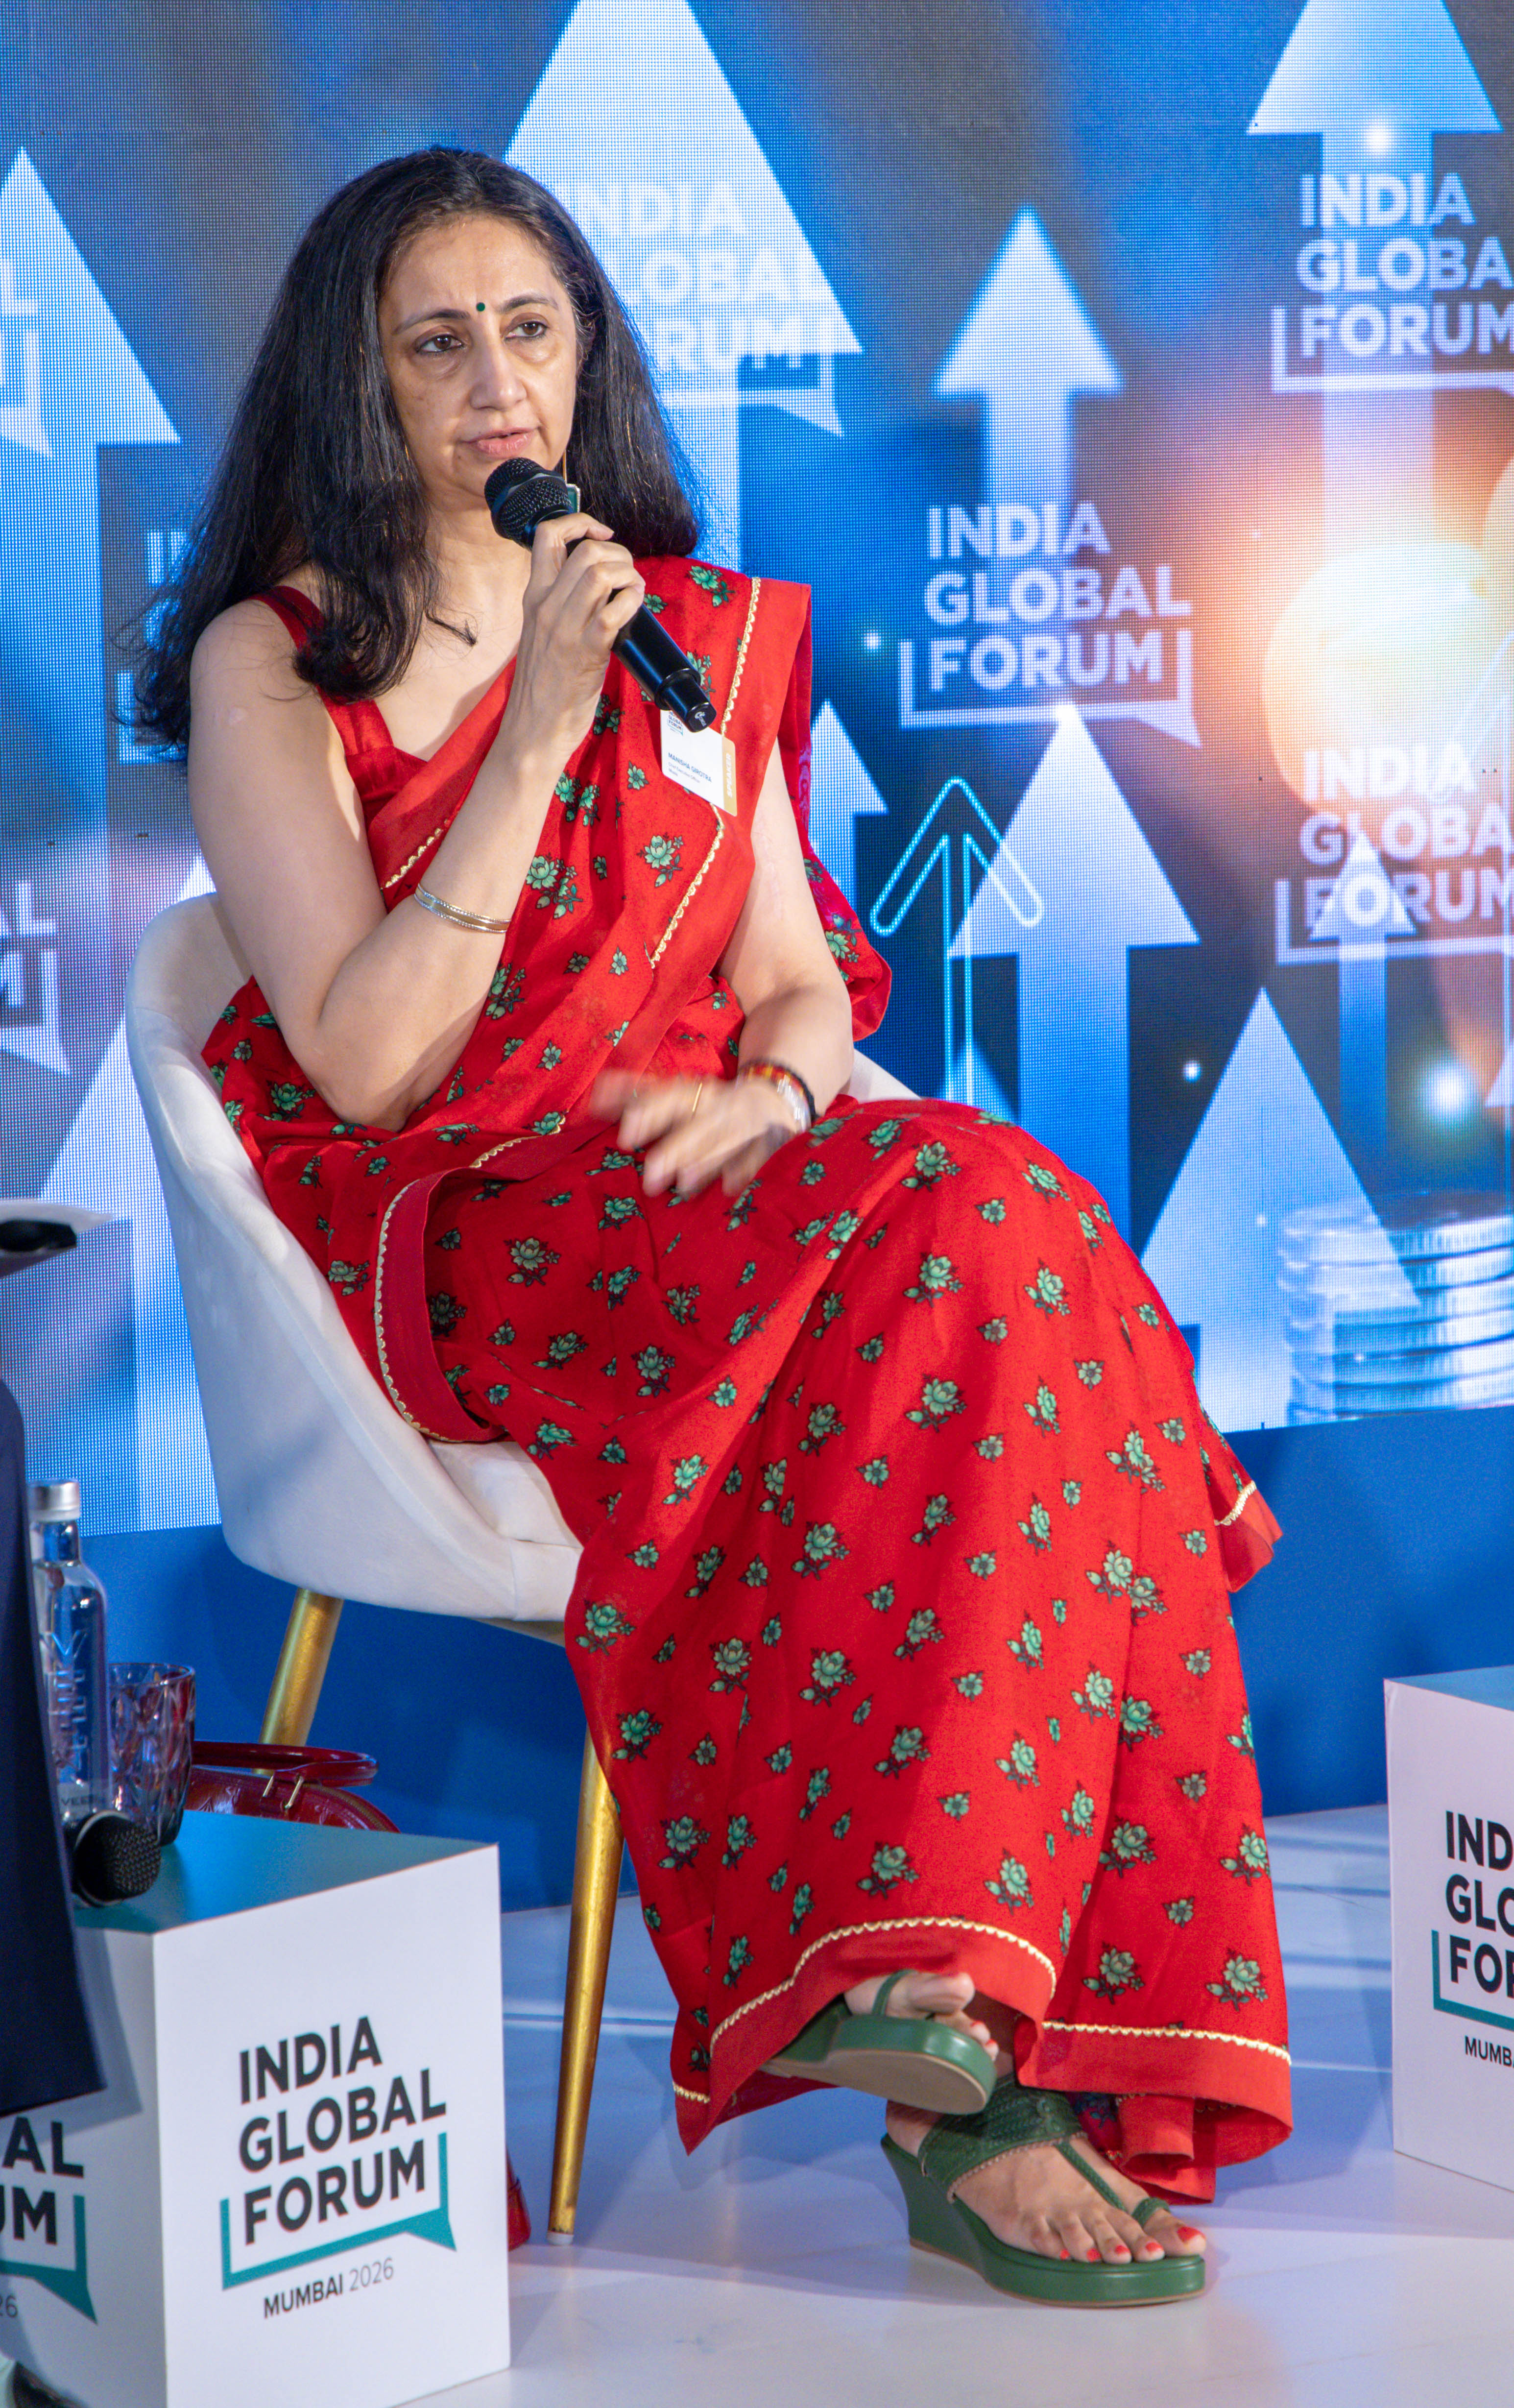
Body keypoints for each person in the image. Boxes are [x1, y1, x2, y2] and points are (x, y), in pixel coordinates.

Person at [134, 148, 1289, 2306]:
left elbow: (787, 981)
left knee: (1001, 1207)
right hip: (478, 1218)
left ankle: (946, 2021)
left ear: (588, 355)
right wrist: (530, 737)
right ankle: (957, 2069)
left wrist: (770, 1099)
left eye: (531, 330)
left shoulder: (690, 628)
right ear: (355, 380)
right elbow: (366, 1062)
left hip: (713, 1170)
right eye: (437, 343)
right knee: (1000, 1242)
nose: (496, 383)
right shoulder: (271, 662)